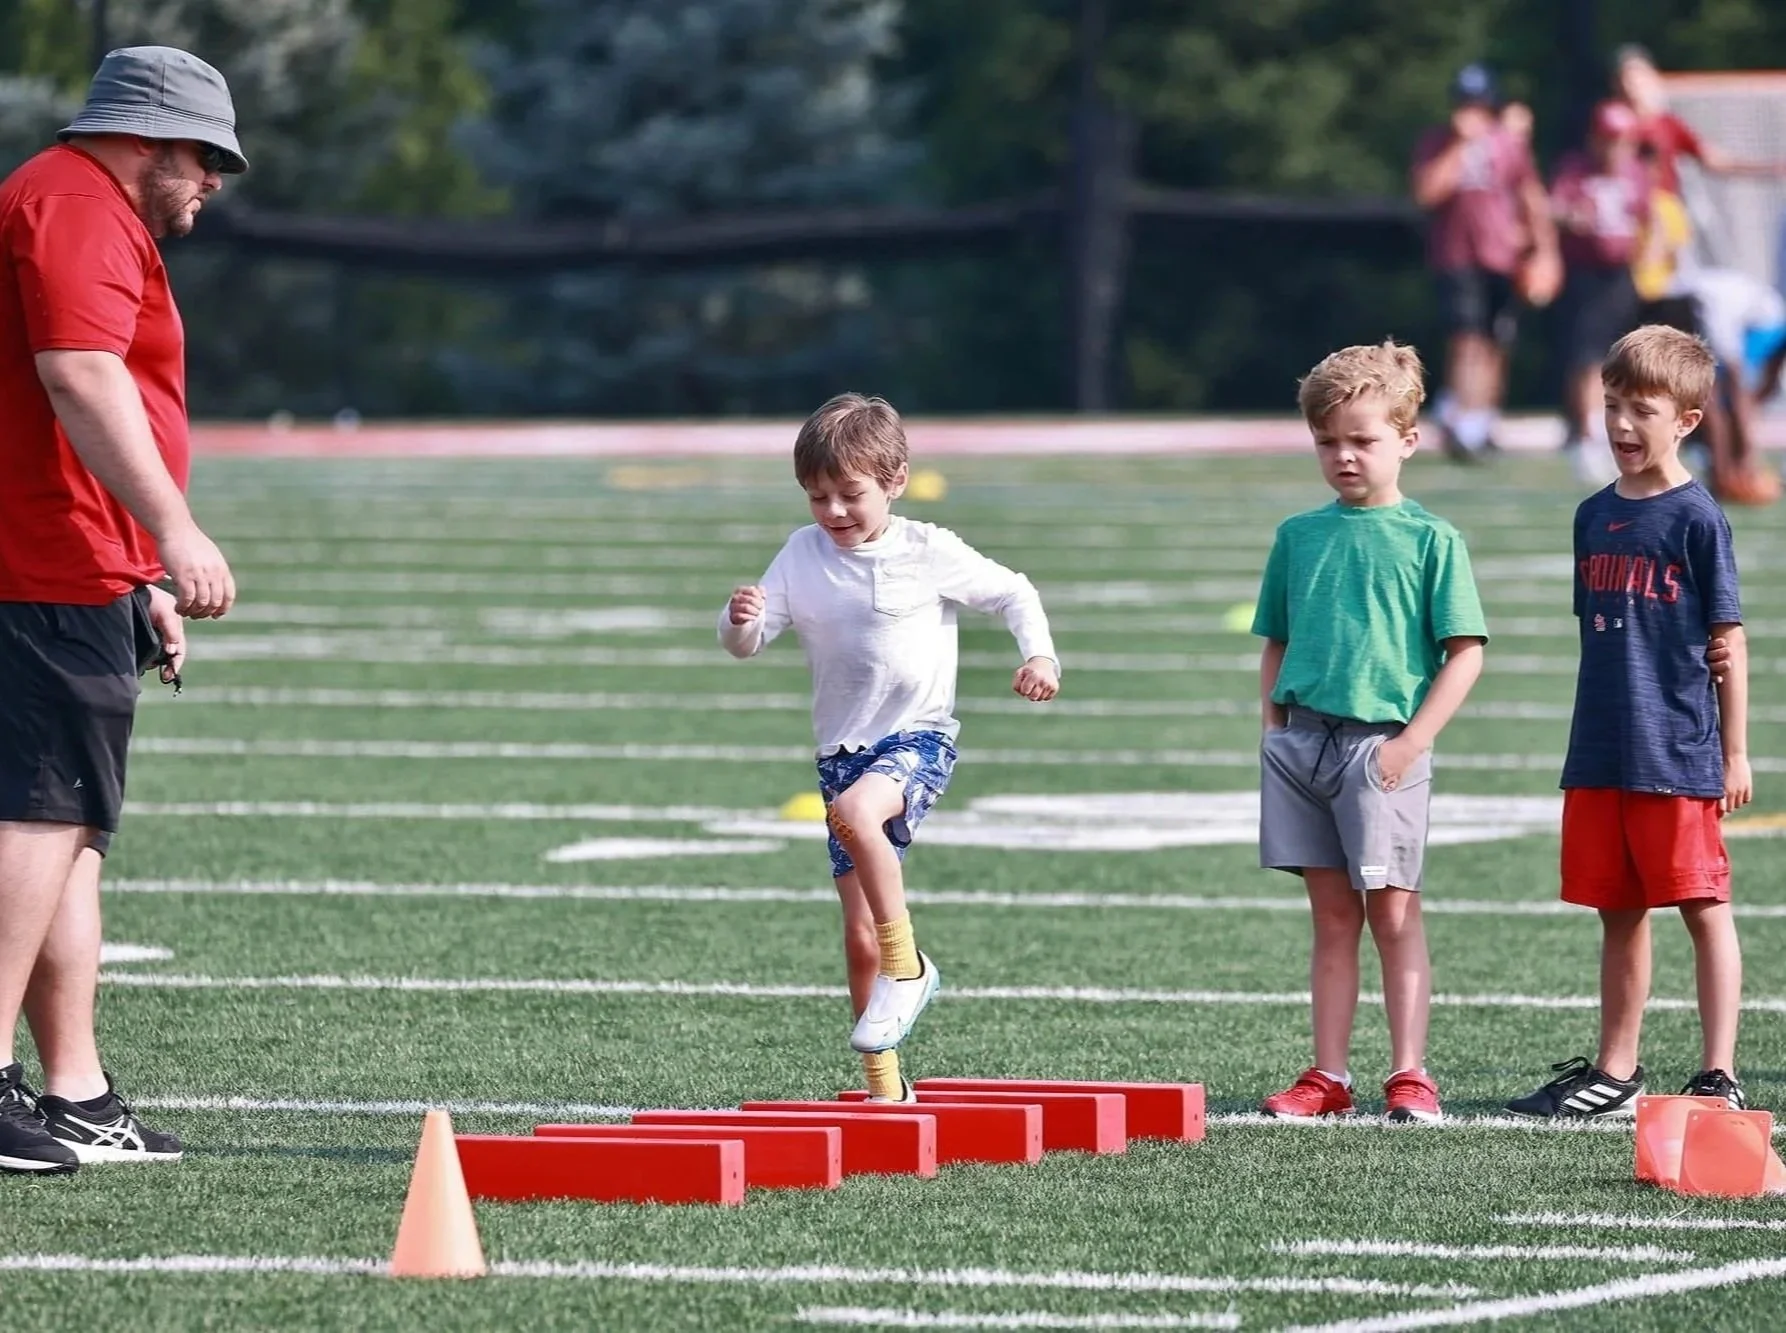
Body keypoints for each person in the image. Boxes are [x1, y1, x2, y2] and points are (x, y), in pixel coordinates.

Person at [0, 46, 243, 1173]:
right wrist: (178, 533)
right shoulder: (77, 205)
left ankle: (77, 1091)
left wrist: (139, 565)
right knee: (42, 815)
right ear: (146, 139)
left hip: (79, 558)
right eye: (204, 158)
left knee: (74, 834)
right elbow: (81, 374)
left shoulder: (81, 205)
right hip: (39, 557)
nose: (214, 183)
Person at [719, 393, 1060, 1102]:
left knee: (857, 811)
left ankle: (911, 968)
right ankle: (884, 1086)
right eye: (819, 497)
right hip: (841, 750)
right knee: (856, 934)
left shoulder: (926, 549)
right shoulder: (800, 552)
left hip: (919, 737)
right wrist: (738, 619)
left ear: (895, 480)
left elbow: (1013, 592)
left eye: (851, 495)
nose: (835, 512)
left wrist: (1041, 658)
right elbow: (748, 645)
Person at [1507, 325, 1750, 1120]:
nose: (1619, 425)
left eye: (1640, 409)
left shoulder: (1697, 517)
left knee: (1703, 906)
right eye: (1611, 405)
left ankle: (1718, 1071)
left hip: (1675, 748)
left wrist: (1735, 750)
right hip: (1602, 748)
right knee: (1618, 909)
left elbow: (1728, 641)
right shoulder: (1591, 515)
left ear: (1685, 419)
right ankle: (1617, 1068)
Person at [1252, 342, 1489, 1124]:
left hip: (1382, 747)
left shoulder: (1432, 540)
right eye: (1328, 441)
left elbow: (1465, 653)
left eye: (1363, 439)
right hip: (1302, 744)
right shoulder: (1298, 535)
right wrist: (1272, 729)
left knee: (1393, 912)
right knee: (1330, 916)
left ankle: (1410, 1072)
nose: (1344, 455)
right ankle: (1328, 1074)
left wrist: (1409, 743)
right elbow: (1276, 642)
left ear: (1408, 439)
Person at [1410, 64, 1560, 461]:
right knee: (1466, 338)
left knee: (1496, 342)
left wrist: (1544, 249)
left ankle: (1480, 420)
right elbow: (1427, 193)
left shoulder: (1508, 144)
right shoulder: (1437, 142)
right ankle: (1459, 417)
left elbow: (1530, 196)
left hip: (1501, 256)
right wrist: (1458, 146)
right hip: (1456, 254)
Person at [1552, 101, 1651, 467]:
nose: (1615, 148)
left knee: (1629, 356)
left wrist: (1647, 264)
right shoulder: (1576, 170)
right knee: (1588, 355)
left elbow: (1650, 220)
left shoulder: (1637, 171)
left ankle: (1624, 427)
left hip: (1623, 272)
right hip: (1586, 270)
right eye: (1609, 139)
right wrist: (1570, 216)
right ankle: (1590, 431)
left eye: (1622, 140)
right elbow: (1555, 208)